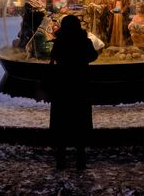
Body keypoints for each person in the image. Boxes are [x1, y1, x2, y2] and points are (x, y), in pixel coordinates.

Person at [48, 15, 98, 170]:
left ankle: (61, 157)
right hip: (80, 85)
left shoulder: (59, 41)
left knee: (61, 119)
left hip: (62, 86)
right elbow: (93, 56)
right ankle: (80, 156)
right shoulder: (85, 41)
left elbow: (54, 56)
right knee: (80, 119)